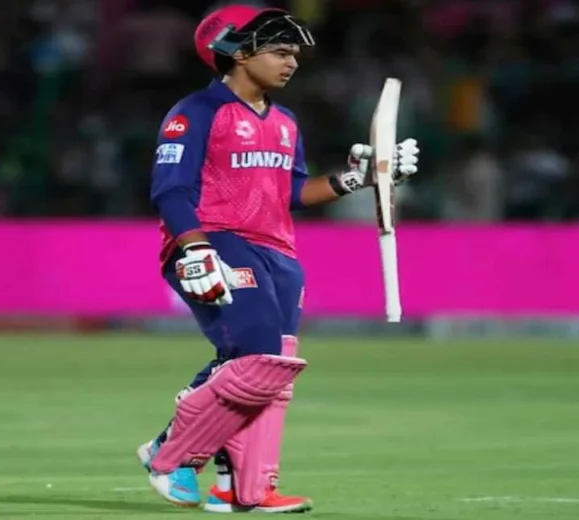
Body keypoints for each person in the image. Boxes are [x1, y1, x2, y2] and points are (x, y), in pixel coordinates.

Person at [138, 4, 420, 514]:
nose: (292, 62)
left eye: (294, 53)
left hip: (279, 250)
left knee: (273, 369)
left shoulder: (285, 121)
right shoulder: (196, 111)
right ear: (238, 53)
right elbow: (171, 190)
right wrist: (196, 249)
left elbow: (292, 192)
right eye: (279, 51)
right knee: (260, 357)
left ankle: (245, 489)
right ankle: (171, 453)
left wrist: (358, 179)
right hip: (217, 240)